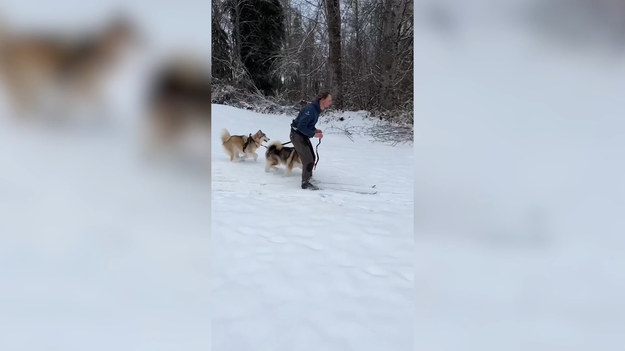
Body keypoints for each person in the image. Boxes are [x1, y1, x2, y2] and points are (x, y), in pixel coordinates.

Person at [290, 91, 332, 190]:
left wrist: (314, 130)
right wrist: (314, 134)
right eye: (329, 100)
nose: (330, 103)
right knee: (308, 159)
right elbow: (301, 126)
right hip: (296, 135)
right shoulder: (311, 109)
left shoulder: (316, 109)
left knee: (312, 157)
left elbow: (308, 124)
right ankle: (305, 183)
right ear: (322, 100)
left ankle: (308, 178)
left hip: (302, 135)